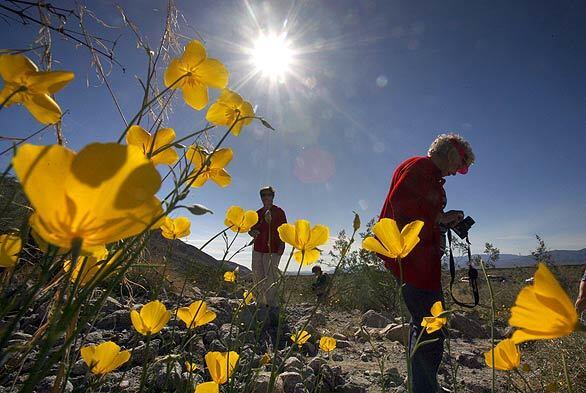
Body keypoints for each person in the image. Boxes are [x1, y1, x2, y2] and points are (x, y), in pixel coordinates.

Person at [377, 133, 475, 393]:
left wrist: (441, 219)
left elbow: (417, 209)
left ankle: (421, 384)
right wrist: (439, 217)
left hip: (419, 260)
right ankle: (423, 388)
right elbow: (402, 204)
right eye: (461, 164)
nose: (459, 172)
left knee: (426, 323)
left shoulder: (426, 172)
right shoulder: (420, 166)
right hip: (412, 260)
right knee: (430, 326)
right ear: (452, 154)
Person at [248, 186, 287, 321]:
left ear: (272, 196)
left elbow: (284, 230)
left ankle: (273, 306)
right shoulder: (257, 213)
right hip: (258, 248)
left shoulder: (279, 212)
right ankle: (260, 304)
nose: (266, 197)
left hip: (273, 249)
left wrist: (282, 246)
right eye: (263, 195)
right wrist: (252, 233)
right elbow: (250, 230)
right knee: (258, 275)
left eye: (268, 194)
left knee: (271, 277)